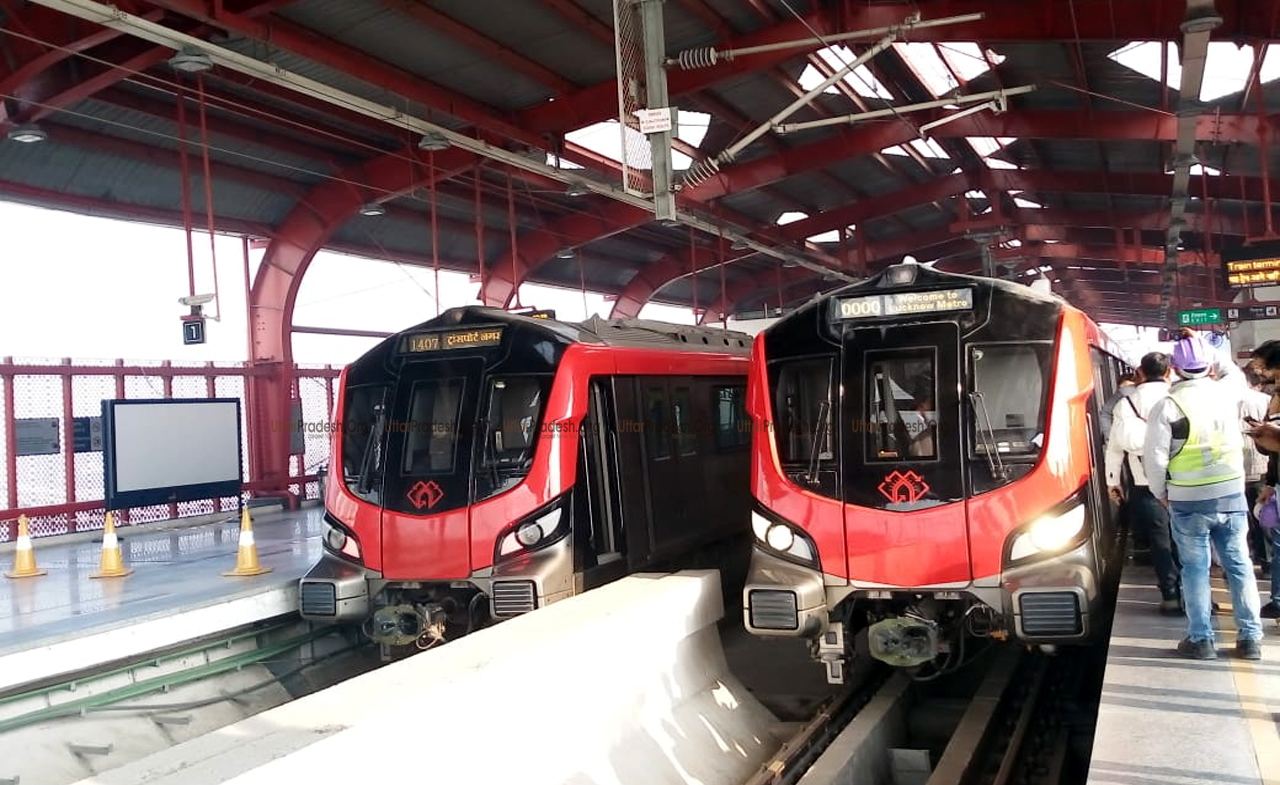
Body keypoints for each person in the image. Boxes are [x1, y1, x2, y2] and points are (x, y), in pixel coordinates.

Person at [1144, 332, 1264, 660]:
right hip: (1230, 494)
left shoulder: (1167, 405)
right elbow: (1233, 373)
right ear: (1209, 365)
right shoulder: (1228, 394)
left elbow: (1154, 459)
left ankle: (1201, 640)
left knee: (1195, 569)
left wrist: (1161, 494)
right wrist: (1206, 345)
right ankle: (1250, 639)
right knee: (1239, 565)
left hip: (1187, 500)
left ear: (1174, 370)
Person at [1106, 352, 1179, 612]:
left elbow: (1115, 448)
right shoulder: (1177, 397)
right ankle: (1196, 593)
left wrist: (1113, 481)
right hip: (1183, 479)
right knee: (1189, 538)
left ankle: (1170, 595)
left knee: (1160, 540)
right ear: (1169, 371)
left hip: (1144, 483)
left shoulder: (1125, 404)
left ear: (1140, 372)